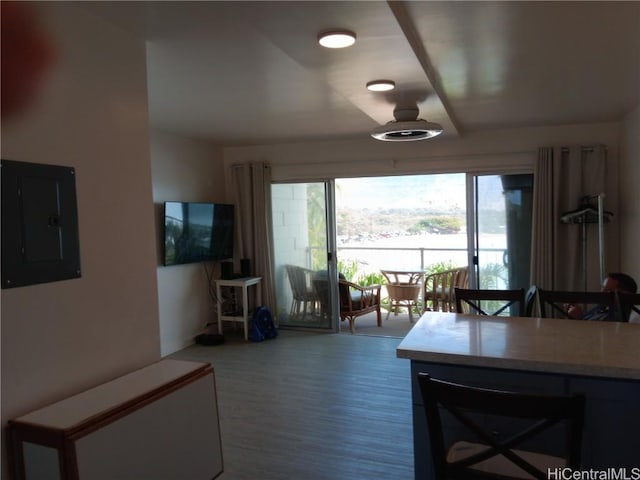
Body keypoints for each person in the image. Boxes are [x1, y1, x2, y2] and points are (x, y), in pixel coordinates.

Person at [567, 272, 638, 321]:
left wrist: (578, 317)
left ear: (624, 294)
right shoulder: (601, 308)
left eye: (607, 290)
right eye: (603, 289)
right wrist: (576, 316)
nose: (602, 293)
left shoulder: (627, 317)